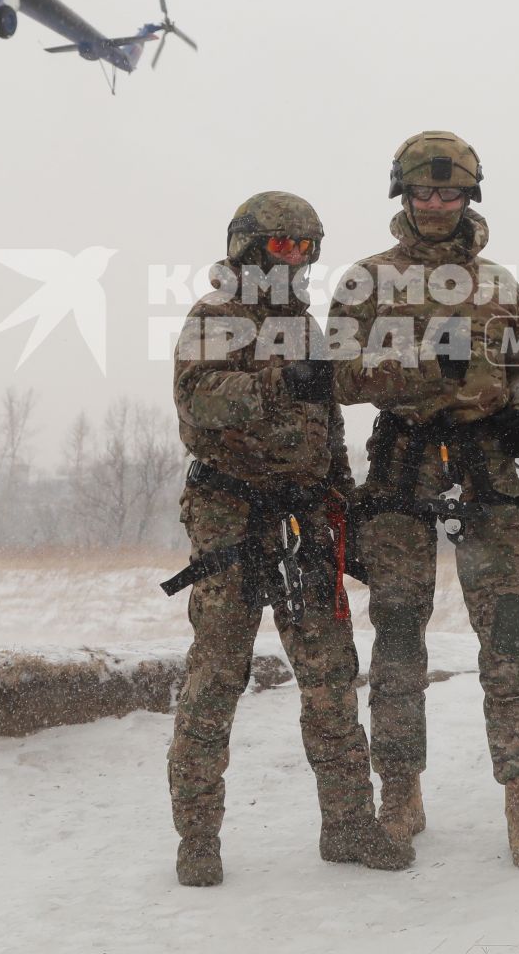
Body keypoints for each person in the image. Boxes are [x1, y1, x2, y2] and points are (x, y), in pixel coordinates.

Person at [163, 191, 412, 886]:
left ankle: (350, 825)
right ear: (248, 248)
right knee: (217, 677)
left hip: (306, 523)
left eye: (305, 248)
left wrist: (348, 509)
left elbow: (327, 434)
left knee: (331, 679)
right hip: (231, 520)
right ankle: (198, 838)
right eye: (281, 247)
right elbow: (200, 405)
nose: (295, 260)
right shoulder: (214, 318)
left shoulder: (310, 329)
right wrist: (279, 378)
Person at [329, 132, 519, 868]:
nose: (435, 205)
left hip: (486, 462)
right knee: (397, 632)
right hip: (403, 464)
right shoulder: (366, 281)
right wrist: (423, 362)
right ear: (403, 196)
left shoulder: (497, 283)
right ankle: (400, 787)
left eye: (449, 192)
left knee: (511, 630)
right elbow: (336, 375)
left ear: (469, 197)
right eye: (423, 193)